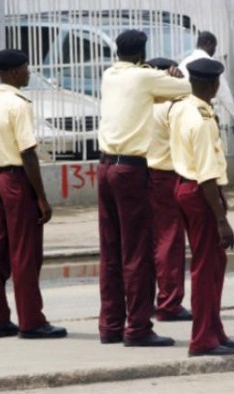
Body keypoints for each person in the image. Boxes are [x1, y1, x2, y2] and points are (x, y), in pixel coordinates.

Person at [97, 30, 191, 347]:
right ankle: (137, 328)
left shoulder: (109, 74)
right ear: (142, 54)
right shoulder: (144, 76)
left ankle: (110, 325)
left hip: (105, 166)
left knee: (111, 250)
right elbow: (187, 88)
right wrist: (171, 74)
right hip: (131, 169)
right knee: (137, 251)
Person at [0, 49, 67, 340]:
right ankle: (31, 321)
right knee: (25, 253)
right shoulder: (19, 105)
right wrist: (41, 197)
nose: (29, 73)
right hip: (17, 180)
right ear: (15, 72)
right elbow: (28, 153)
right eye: (26, 68)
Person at [169, 58, 234, 356]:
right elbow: (207, 174)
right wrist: (222, 220)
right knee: (206, 267)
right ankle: (202, 338)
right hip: (200, 192)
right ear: (213, 85)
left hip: (188, 187)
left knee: (214, 264)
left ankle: (214, 330)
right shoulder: (200, 119)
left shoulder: (182, 106)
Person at [145, 57, 192, 322]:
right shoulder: (171, 108)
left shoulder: (139, 104)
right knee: (169, 241)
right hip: (166, 174)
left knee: (147, 242)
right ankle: (169, 302)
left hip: (141, 173)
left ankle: (146, 299)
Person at [179, 31, 234, 131]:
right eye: (214, 47)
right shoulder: (211, 65)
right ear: (209, 43)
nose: (214, 50)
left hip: (184, 114)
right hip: (203, 112)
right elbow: (223, 92)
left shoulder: (184, 63)